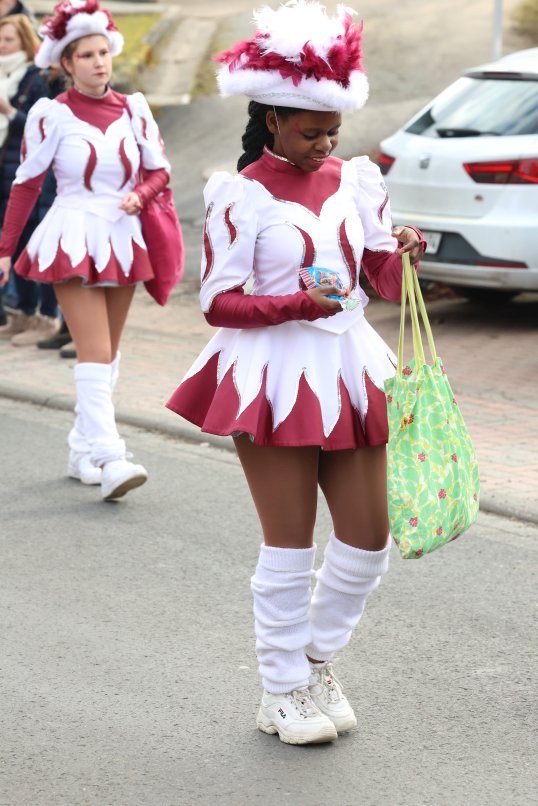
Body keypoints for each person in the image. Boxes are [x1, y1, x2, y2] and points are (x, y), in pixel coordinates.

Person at [167, 0, 426, 746]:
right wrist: (296, 304)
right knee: (289, 544)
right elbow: (217, 303)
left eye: (332, 131)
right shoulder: (239, 194)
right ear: (274, 119)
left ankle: (312, 661)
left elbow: (377, 278)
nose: (324, 145)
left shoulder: (355, 181)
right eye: (311, 132)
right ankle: (278, 690)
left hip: (350, 365)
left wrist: (402, 250)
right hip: (271, 375)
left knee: (368, 542)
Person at [0, 0, 171, 500]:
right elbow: (26, 185)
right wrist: (5, 250)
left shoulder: (134, 108)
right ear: (67, 64)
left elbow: (160, 171)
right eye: (86, 55)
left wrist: (141, 195)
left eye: (103, 52)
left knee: (108, 354)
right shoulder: (50, 114)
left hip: (122, 234)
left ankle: (80, 450)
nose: (99, 62)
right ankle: (110, 456)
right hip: (71, 233)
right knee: (93, 352)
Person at [0, 14, 60, 345]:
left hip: (28, 174)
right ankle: (22, 313)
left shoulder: (34, 78)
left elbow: (42, 128)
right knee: (13, 245)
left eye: (9, 39)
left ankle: (46, 316)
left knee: (36, 244)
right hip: (4, 172)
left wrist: (8, 111)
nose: (2, 46)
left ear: (24, 42)